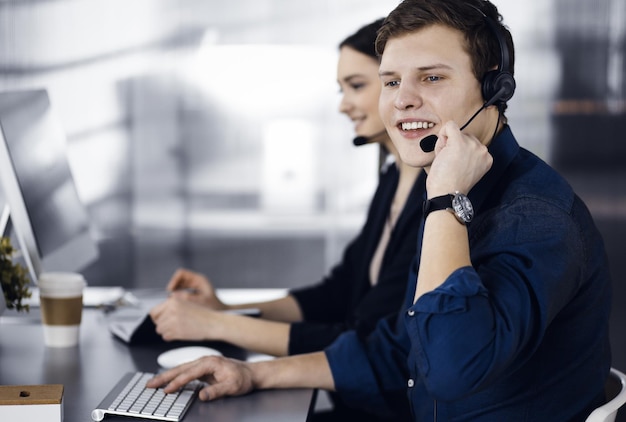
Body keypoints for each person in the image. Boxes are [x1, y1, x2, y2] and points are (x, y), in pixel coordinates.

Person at [147, 1, 613, 420]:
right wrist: (253, 376)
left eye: (431, 77)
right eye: (391, 81)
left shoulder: (531, 218)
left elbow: (451, 371)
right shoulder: (453, 188)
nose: (401, 99)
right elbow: (401, 346)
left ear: (495, 85)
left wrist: (445, 201)